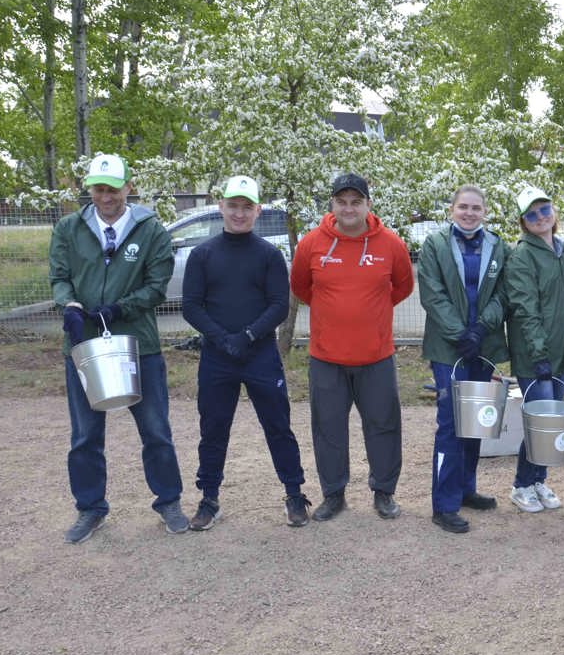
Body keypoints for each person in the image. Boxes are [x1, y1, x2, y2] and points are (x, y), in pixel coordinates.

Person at [50, 153, 186, 543]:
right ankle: (90, 508)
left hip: (137, 345)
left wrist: (118, 309)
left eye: (113, 188)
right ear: (90, 189)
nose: (105, 196)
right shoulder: (68, 228)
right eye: (98, 188)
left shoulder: (151, 231)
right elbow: (59, 277)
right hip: (82, 345)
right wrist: (71, 306)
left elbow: (157, 285)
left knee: (156, 429)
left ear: (129, 186)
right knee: (85, 435)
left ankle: (169, 501)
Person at [181, 175, 310, 530]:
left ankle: (294, 493)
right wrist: (222, 339)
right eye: (233, 206)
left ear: (258, 211)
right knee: (213, 428)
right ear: (220, 206)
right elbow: (192, 306)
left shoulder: (268, 255)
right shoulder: (202, 254)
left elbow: (278, 305)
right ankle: (209, 498)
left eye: (246, 207)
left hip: (260, 355)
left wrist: (249, 335)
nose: (239, 213)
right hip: (217, 356)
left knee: (278, 425)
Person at [289, 172, 414, 522]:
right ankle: (334, 494)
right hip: (326, 358)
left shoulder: (391, 244)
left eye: (356, 202)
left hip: (376, 356)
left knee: (384, 425)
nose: (349, 208)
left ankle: (384, 491)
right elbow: (301, 287)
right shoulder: (311, 244)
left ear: (368, 204)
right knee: (328, 427)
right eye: (342, 202)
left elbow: (401, 287)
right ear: (332, 204)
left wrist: (368, 314)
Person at [417, 185, 509, 533]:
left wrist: (481, 329)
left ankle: (466, 489)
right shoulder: (435, 245)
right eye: (463, 207)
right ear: (452, 210)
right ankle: (444, 503)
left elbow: (503, 292)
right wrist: (460, 334)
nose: (469, 213)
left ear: (484, 212)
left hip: (482, 346)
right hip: (448, 348)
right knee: (452, 424)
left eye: (476, 208)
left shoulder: (498, 246)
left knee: (475, 421)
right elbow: (432, 293)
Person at [504, 186, 564, 513]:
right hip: (537, 357)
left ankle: (539, 480)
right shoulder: (522, 255)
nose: (541, 217)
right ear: (524, 221)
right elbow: (526, 308)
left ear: (553, 210)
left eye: (544, 209)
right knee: (541, 425)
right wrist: (539, 354)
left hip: (563, 353)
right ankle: (522, 485)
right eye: (532, 214)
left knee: (551, 425)